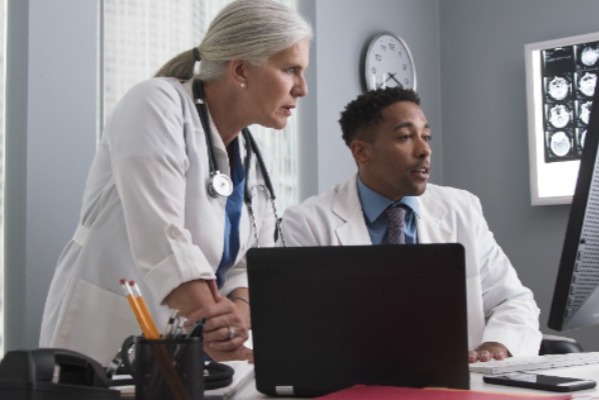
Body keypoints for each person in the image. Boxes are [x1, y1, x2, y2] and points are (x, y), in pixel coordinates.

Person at [40, 0, 313, 366]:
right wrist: (215, 327)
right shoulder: (156, 105)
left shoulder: (250, 154)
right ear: (241, 69)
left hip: (194, 348)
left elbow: (248, 263)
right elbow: (162, 236)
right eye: (290, 70)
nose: (302, 89)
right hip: (112, 341)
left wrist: (238, 318)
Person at [280, 87, 542, 362]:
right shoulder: (307, 223)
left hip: (455, 383)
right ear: (361, 152)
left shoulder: (461, 208)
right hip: (358, 382)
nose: (424, 150)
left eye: (426, 137)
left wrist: (497, 345)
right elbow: (300, 329)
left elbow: (512, 300)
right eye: (405, 137)